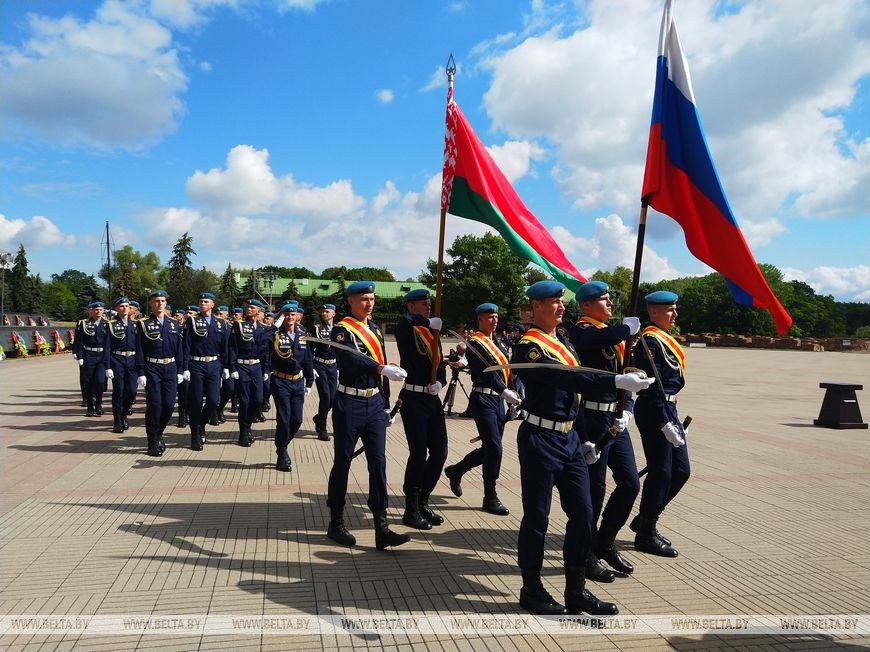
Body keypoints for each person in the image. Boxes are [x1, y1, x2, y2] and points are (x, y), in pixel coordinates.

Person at [511, 280, 654, 616]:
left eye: (562, 301)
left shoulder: (563, 341)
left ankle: (575, 590)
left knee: (584, 513)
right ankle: (531, 589)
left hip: (571, 438)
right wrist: (615, 381)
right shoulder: (529, 347)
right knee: (537, 517)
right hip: (540, 438)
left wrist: (587, 435)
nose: (561, 307)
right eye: (552, 302)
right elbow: (567, 378)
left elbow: (577, 389)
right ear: (535, 307)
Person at [325, 281, 410, 549]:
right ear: (351, 301)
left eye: (372, 298)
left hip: (373, 402)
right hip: (349, 402)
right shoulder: (342, 330)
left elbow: (381, 362)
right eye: (364, 299)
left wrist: (386, 404)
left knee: (378, 463)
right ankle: (336, 522)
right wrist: (381, 368)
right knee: (343, 462)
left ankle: (381, 527)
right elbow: (348, 360)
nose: (369, 303)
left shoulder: (374, 329)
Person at [569, 281, 642, 581]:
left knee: (630, 483)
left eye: (610, 299)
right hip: (592, 419)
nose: (610, 303)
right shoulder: (581, 331)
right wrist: (626, 329)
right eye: (604, 299)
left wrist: (628, 408)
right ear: (586, 305)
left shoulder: (613, 335)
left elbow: (626, 375)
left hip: (616, 419)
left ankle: (605, 540)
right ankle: (585, 553)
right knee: (594, 490)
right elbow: (594, 341)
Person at [444, 303, 521, 516]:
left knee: (490, 449)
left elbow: (506, 371)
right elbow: (487, 372)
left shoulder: (499, 342)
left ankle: (457, 470)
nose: (494, 320)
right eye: (489, 317)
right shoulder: (475, 343)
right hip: (483, 399)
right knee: (495, 449)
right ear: (480, 319)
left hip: (498, 401)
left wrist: (513, 397)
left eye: (496, 316)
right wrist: (505, 392)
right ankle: (490, 496)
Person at [630, 290, 689, 558]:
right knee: (661, 472)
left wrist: (671, 417)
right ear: (653, 312)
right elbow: (652, 386)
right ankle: (646, 532)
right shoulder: (649, 342)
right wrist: (665, 422)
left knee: (681, 470)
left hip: (669, 408)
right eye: (669, 309)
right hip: (655, 410)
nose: (675, 314)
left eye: (675, 308)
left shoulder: (665, 339)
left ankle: (646, 518)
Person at [395, 288, 455, 530]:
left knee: (440, 452)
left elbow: (439, 363)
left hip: (431, 399)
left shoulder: (432, 332)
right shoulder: (408, 327)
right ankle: (411, 507)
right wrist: (427, 322)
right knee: (418, 453)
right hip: (413, 399)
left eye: (429, 304)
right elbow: (405, 321)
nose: (428, 307)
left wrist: (440, 381)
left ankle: (423, 500)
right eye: (423, 304)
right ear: (411, 306)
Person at [135, 291, 184, 457]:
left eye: (163, 301)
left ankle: (159, 432)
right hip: (152, 368)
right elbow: (139, 349)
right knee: (155, 406)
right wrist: (140, 372)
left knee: (169, 406)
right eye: (156, 301)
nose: (160, 304)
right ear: (150, 303)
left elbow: (179, 349)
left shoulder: (174, 323)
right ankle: (152, 440)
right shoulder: (143, 323)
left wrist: (180, 370)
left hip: (170, 367)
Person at [268, 303, 314, 471]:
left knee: (297, 420)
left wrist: (309, 381)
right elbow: (260, 340)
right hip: (280, 381)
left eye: (293, 314)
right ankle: (282, 452)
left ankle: (282, 444)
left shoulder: (302, 335)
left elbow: (307, 358)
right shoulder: (275, 334)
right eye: (286, 314)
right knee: (284, 419)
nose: (290, 317)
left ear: (297, 316)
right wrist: (274, 326)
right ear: (282, 317)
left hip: (297, 382)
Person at [183, 292, 230, 451]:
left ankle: (201, 424)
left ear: (212, 304)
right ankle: (195, 435)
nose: (202, 303)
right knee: (196, 401)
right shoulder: (192, 320)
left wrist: (226, 366)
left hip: (214, 364)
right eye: (201, 301)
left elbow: (224, 347)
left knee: (213, 400)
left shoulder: (221, 323)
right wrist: (185, 367)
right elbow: (186, 345)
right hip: (196, 364)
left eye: (206, 301)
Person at [228, 299, 270, 447]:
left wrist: (266, 369)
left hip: (257, 367)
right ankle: (243, 433)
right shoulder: (239, 325)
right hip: (242, 366)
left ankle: (248, 425)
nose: (249, 309)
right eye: (248, 307)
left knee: (258, 400)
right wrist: (232, 367)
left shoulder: (263, 328)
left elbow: (265, 350)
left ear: (259, 311)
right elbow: (232, 347)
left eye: (252, 307)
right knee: (245, 402)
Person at [72, 301, 110, 417]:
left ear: (103, 311)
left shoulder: (107, 324)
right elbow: (78, 341)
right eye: (96, 310)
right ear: (91, 311)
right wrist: (79, 355)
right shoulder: (84, 324)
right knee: (88, 382)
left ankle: (98, 403)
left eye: (100, 310)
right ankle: (90, 407)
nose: (98, 312)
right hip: (89, 355)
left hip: (102, 356)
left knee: (100, 381)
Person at [106, 297, 139, 433]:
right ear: (116, 309)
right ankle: (117, 420)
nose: (125, 308)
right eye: (122, 306)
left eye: (127, 306)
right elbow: (107, 346)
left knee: (132, 391)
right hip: (117, 359)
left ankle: (124, 413)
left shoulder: (137, 324)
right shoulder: (111, 324)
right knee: (119, 391)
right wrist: (107, 366)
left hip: (133, 360)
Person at [311, 303, 339, 441]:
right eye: (323, 311)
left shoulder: (338, 329)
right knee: (326, 397)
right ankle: (322, 428)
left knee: (333, 399)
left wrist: (340, 367)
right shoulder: (317, 329)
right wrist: (311, 367)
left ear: (334, 314)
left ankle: (318, 417)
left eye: (327, 311)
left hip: (333, 366)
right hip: (320, 365)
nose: (324, 314)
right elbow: (310, 349)